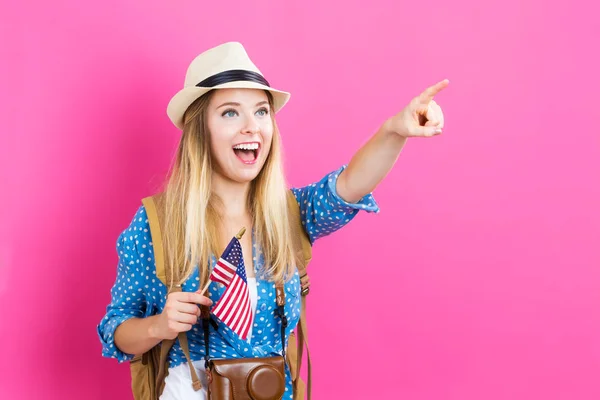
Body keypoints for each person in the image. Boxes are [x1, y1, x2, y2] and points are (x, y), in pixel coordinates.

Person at [97, 41, 448, 399]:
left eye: (261, 111)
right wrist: (160, 325)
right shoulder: (157, 223)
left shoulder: (288, 213)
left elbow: (350, 186)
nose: (252, 127)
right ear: (200, 129)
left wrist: (394, 131)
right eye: (231, 113)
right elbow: (116, 332)